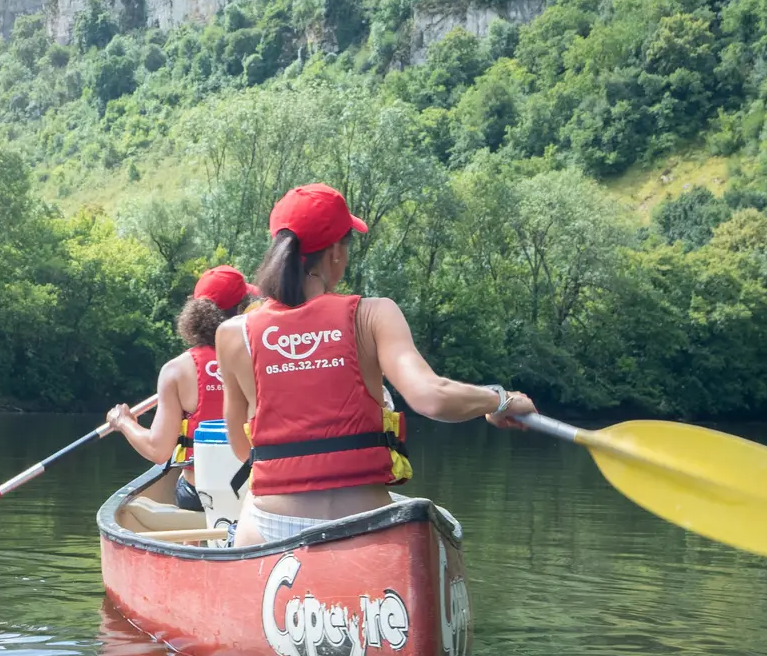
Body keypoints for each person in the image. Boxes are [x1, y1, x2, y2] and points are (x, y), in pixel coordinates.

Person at [217, 184, 538, 547]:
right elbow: (431, 397)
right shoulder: (373, 314)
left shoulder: (233, 334)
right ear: (336, 252)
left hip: (268, 527)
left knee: (244, 518)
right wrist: (499, 400)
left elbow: (242, 450)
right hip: (362, 528)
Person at [106, 265, 255, 511]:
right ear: (242, 309)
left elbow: (158, 450)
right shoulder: (262, 358)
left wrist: (123, 421)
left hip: (199, 496)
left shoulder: (176, 371)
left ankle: (191, 544)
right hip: (253, 491)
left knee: (183, 490)